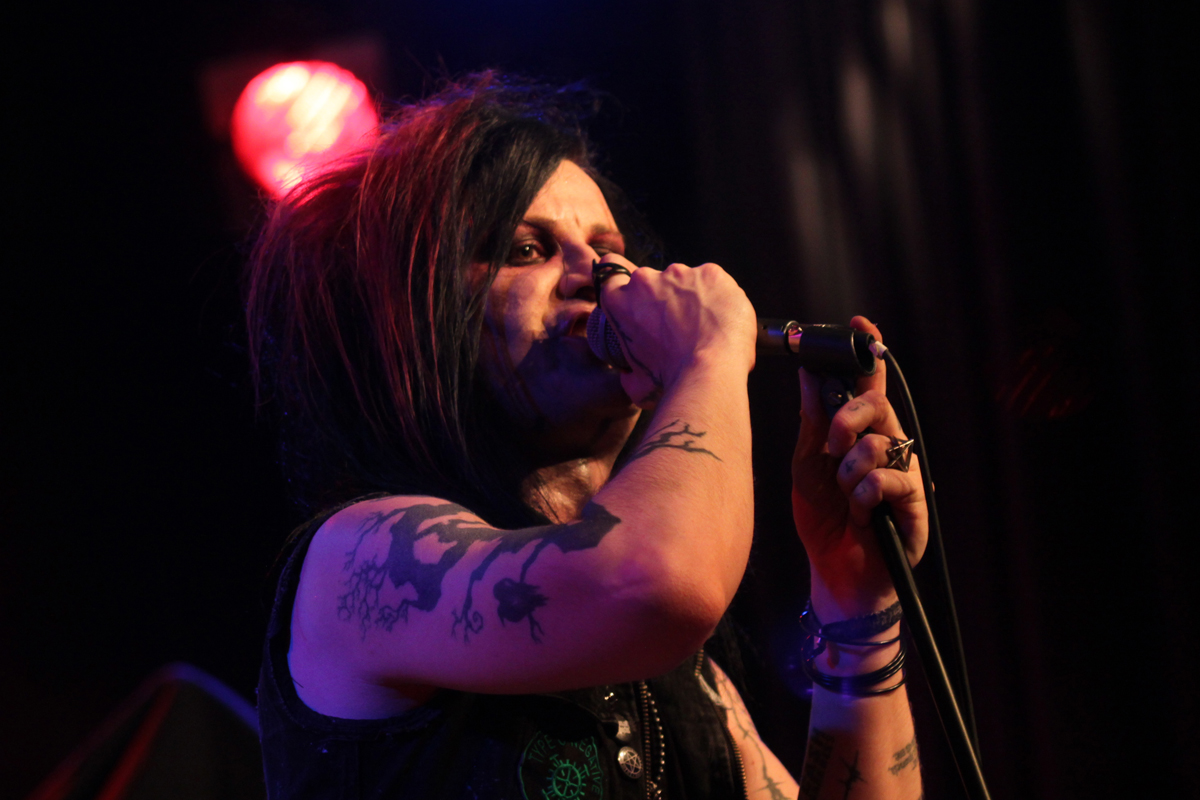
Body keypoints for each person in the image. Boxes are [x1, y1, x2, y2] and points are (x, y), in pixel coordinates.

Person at [247, 73, 928, 800]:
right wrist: (708, 352)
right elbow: (655, 585)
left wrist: (857, 606)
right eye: (526, 249)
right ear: (413, 327)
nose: (601, 277)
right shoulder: (359, 559)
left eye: (608, 248)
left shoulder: (689, 688)